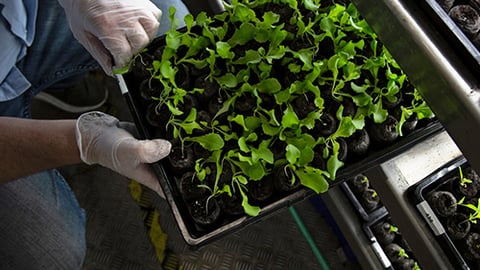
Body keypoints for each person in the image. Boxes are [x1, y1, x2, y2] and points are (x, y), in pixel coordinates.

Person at [0, 0, 189, 269]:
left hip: (19, 20)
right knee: (52, 255)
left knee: (171, 26)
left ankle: (62, 81)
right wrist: (83, 141)